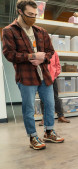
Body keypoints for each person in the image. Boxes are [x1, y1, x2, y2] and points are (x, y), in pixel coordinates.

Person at [2, 0, 64, 150]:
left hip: (44, 75)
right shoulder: (9, 31)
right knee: (28, 108)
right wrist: (31, 56)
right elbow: (9, 54)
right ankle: (32, 136)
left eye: (35, 15)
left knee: (50, 105)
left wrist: (44, 58)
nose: (33, 17)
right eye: (30, 14)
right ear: (20, 12)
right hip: (26, 76)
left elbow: (50, 51)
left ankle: (49, 131)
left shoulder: (40, 31)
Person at [39, 51, 70, 126]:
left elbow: (58, 65)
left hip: (52, 78)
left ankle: (60, 116)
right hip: (42, 78)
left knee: (56, 97)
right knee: (43, 98)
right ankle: (44, 118)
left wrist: (55, 75)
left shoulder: (54, 53)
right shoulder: (39, 52)